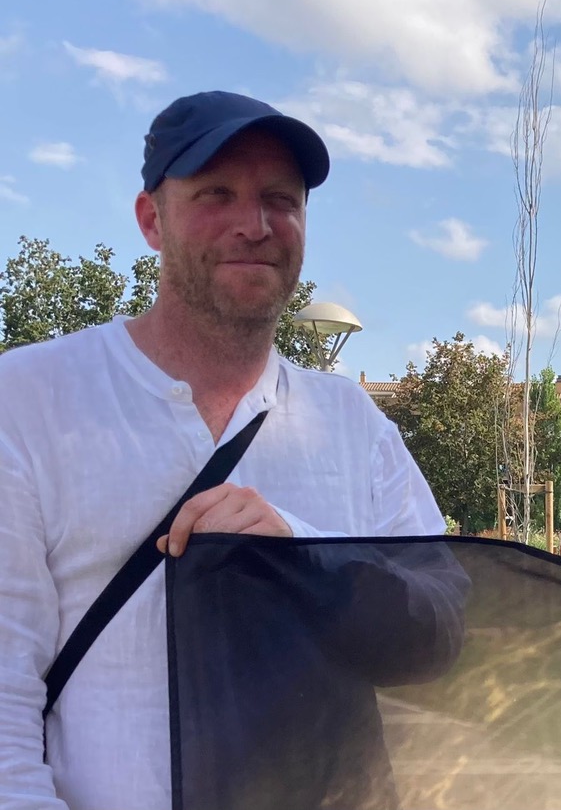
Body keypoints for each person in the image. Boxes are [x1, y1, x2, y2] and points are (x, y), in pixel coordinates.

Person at [0, 91, 468, 810]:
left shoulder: (352, 421)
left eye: (281, 199)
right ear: (151, 219)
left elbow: (444, 629)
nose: (255, 225)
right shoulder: (29, 400)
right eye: (217, 193)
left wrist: (304, 553)